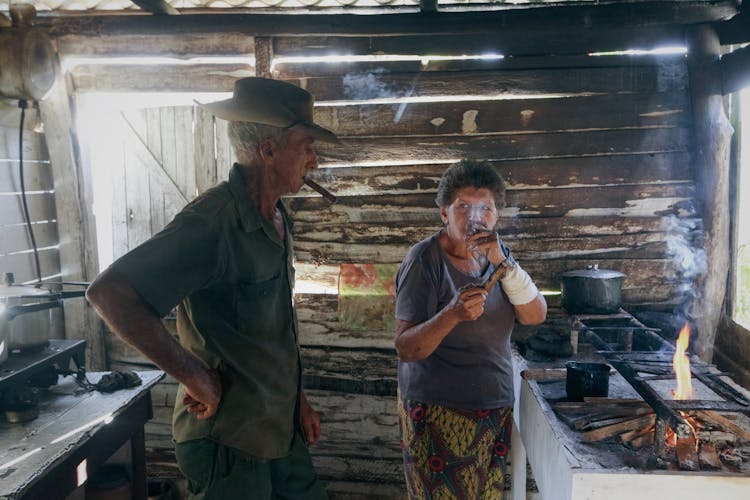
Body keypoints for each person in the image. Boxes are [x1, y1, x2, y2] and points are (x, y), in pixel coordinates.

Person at [85, 77, 339, 500]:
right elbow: (109, 293)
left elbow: (271, 332)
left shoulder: (277, 218)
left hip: (280, 430)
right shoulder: (213, 223)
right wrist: (195, 377)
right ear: (269, 150)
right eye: (306, 146)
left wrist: (298, 402)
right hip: (230, 442)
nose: (313, 161)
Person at [394, 159, 547, 499]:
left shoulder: (498, 256)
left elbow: (535, 314)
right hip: (438, 414)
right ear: (444, 213)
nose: (475, 217)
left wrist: (506, 266)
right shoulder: (424, 261)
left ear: (496, 217)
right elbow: (406, 348)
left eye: (485, 209)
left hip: (493, 408)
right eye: (463, 206)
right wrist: (452, 313)